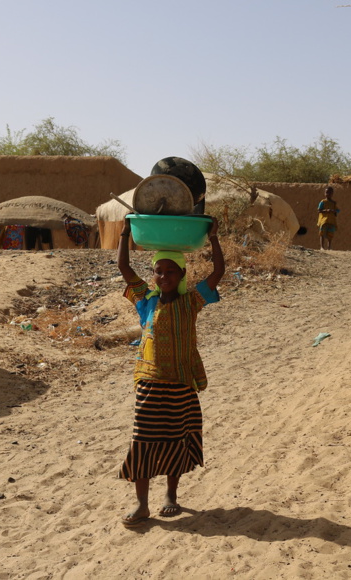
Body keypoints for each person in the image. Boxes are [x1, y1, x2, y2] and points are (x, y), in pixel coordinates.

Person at [116, 217, 225, 528]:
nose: (163, 276)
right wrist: (125, 231)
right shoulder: (145, 301)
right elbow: (124, 268)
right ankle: (141, 504)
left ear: (181, 274)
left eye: (170, 271)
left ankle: (171, 496)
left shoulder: (191, 302)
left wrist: (214, 238)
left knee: (176, 440)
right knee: (143, 442)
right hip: (149, 384)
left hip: (180, 383)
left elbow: (218, 272)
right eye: (158, 271)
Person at [317, 186, 339, 250]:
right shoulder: (323, 202)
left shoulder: (333, 203)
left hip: (331, 220)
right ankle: (322, 247)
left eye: (330, 193)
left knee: (330, 234)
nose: (328, 194)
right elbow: (319, 210)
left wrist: (333, 211)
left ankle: (329, 247)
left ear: (332, 194)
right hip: (324, 220)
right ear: (324, 193)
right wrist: (326, 210)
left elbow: (337, 210)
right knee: (322, 233)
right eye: (327, 192)